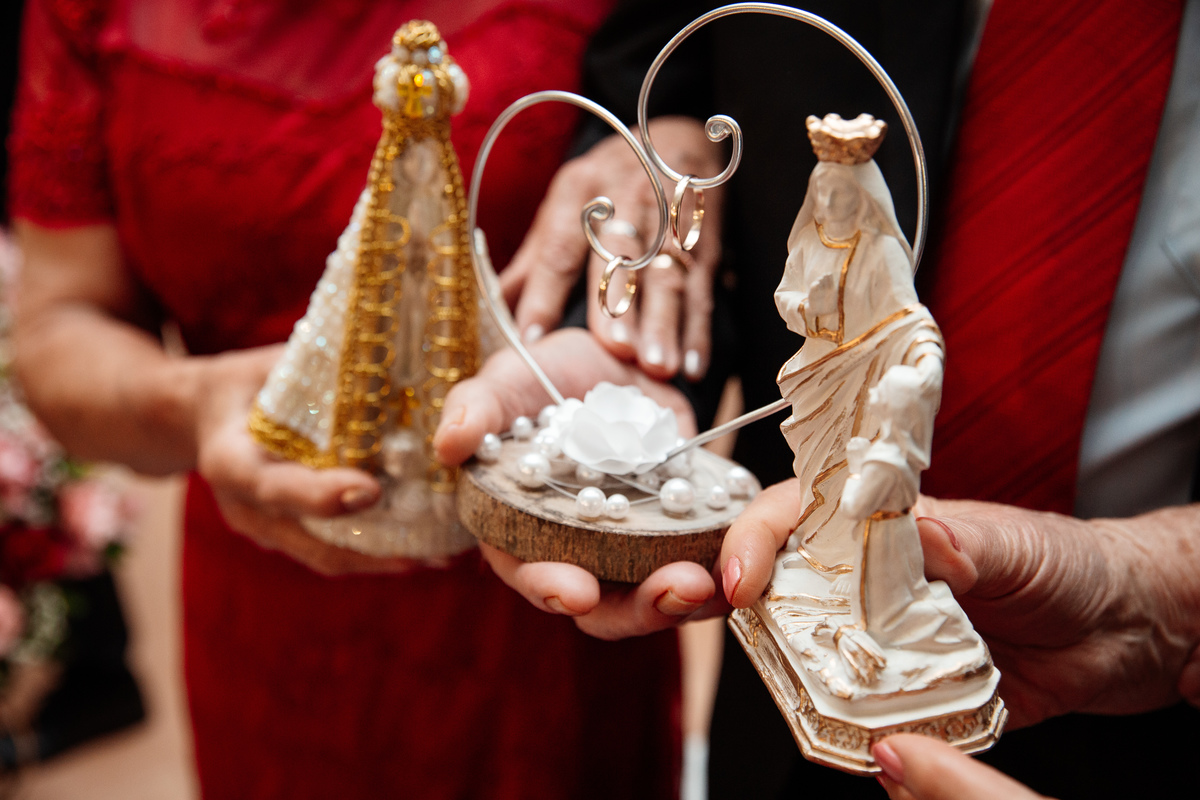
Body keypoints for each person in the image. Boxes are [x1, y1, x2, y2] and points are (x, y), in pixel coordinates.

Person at [436, 0, 1200, 795]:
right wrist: (644, 262)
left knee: (884, 528)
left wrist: (1169, 583)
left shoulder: (881, 261)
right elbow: (670, 72)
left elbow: (903, 326)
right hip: (775, 632)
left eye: (844, 201)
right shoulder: (822, 223)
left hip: (1162, 733)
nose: (832, 211)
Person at [7, 1, 692, 797]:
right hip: (268, 573)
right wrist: (193, 402)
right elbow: (61, 324)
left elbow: (685, 98)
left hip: (550, 576)